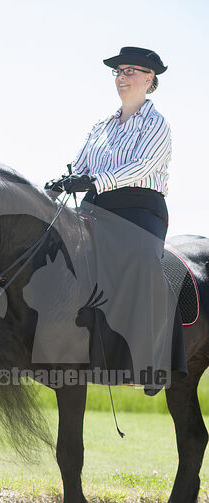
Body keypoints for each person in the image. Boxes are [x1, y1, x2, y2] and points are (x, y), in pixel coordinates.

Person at [45, 46, 187, 393]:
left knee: (141, 262)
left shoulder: (157, 124)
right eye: (119, 71)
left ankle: (153, 362)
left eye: (130, 71)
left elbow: (140, 167)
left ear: (149, 78)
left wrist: (94, 181)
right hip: (95, 207)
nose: (121, 78)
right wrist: (63, 182)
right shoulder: (100, 125)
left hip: (139, 209)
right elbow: (81, 164)